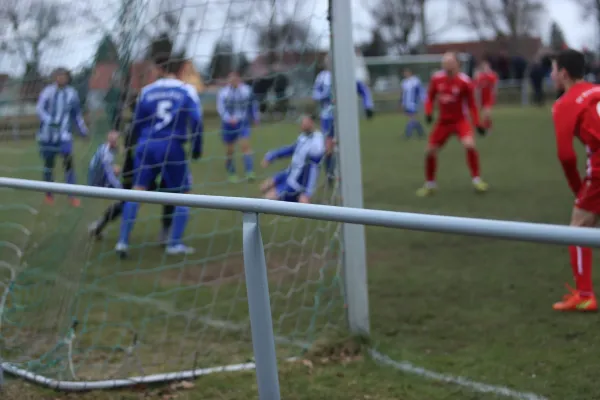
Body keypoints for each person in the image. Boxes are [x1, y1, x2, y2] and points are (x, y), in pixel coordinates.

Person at [115, 54, 203, 258]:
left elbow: (136, 123)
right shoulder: (186, 89)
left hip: (145, 146)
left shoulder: (147, 91)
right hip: (172, 146)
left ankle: (123, 242)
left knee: (136, 193)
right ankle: (174, 243)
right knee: (182, 194)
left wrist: (133, 146)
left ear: (160, 70)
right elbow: (197, 120)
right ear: (180, 70)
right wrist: (197, 147)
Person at [550, 49, 600, 312]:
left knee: (578, 228)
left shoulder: (565, 103)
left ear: (564, 73)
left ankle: (585, 295)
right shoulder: (597, 90)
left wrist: (578, 191)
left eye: (553, 70)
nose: (551, 75)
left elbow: (566, 156)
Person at [416, 52, 487, 197]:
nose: (446, 64)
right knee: (429, 151)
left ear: (457, 64)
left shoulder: (465, 81)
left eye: (449, 62)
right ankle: (430, 184)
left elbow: (472, 105)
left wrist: (477, 123)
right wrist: (429, 112)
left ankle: (477, 179)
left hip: (460, 120)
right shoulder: (437, 79)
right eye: (444, 62)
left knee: (469, 145)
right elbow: (429, 98)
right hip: (443, 122)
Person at [312, 61, 374, 186]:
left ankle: (349, 176)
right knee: (328, 147)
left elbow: (363, 89)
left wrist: (368, 105)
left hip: (345, 117)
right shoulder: (322, 77)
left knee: (348, 146)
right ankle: (330, 175)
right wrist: (325, 94)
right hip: (327, 117)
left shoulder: (346, 74)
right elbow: (315, 94)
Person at [36, 67, 88, 206]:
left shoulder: (72, 93)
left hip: (64, 136)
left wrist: (82, 130)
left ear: (67, 78)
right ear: (55, 77)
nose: (61, 78)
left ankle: (72, 195)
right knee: (48, 165)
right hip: (47, 136)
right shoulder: (47, 92)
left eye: (64, 76)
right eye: (59, 75)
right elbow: (40, 109)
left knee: (68, 164)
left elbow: (76, 114)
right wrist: (49, 121)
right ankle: (49, 194)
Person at [259, 114, 324, 203]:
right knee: (263, 187)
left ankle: (296, 197)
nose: (301, 124)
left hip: (296, 184)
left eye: (304, 122)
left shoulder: (317, 143)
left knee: (267, 199)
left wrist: (307, 193)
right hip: (288, 174)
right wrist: (271, 156)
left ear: (311, 123)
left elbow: (313, 169)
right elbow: (290, 149)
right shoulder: (303, 137)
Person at [217, 71, 259, 183]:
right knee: (230, 150)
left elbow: (253, 103)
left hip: (242, 122)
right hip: (228, 124)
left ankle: (250, 172)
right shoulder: (223, 93)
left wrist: (255, 117)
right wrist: (228, 118)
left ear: (239, 80)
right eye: (231, 80)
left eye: (235, 79)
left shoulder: (246, 90)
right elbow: (221, 108)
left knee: (245, 146)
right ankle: (231, 172)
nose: (233, 82)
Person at [474, 59, 498, 132]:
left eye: (487, 67)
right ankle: (488, 127)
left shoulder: (492, 76)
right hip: (482, 98)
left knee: (486, 114)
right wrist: (477, 99)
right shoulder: (480, 77)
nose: (485, 69)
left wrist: (494, 95)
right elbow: (477, 89)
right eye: (484, 67)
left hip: (489, 98)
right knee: (484, 115)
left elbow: (494, 87)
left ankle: (486, 128)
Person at [400, 68, 425, 139]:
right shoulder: (404, 82)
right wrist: (402, 103)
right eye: (404, 73)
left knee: (412, 118)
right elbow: (403, 94)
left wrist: (423, 100)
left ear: (410, 73)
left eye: (406, 72)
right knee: (413, 119)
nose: (405, 74)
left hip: (414, 103)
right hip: (407, 103)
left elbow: (420, 91)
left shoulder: (416, 81)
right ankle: (421, 132)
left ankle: (408, 134)